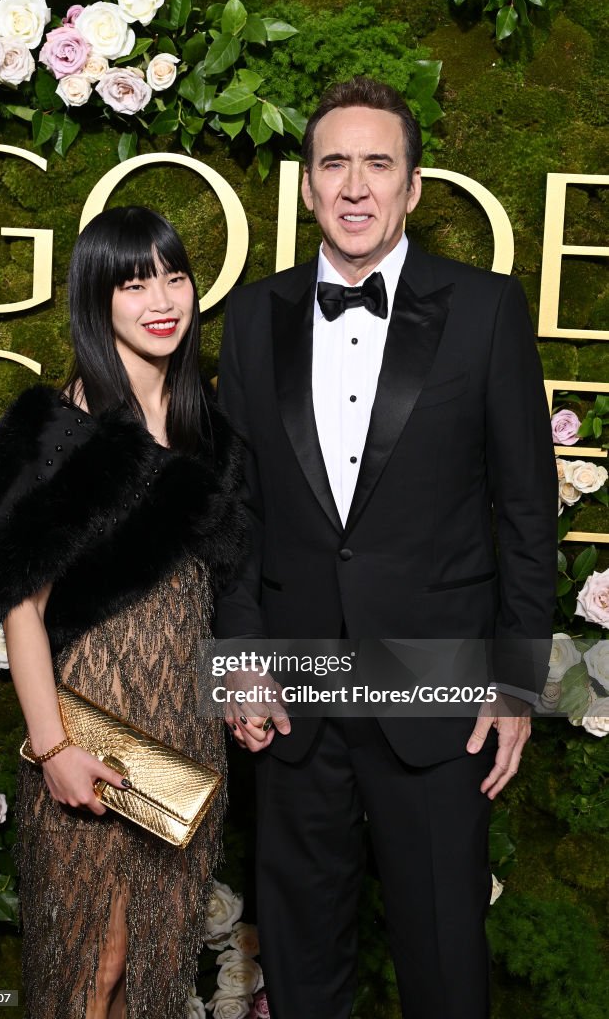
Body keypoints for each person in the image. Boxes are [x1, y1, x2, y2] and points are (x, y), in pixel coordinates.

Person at [216, 78, 558, 1019]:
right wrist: (239, 659)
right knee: (300, 966)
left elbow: (527, 511)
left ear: (412, 186)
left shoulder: (486, 309)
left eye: (378, 164)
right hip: (293, 691)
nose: (354, 185)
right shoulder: (251, 317)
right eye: (334, 163)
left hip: (438, 688)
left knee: (444, 961)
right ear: (305, 187)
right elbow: (234, 514)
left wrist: (516, 681)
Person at [0, 207, 245, 1019]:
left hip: (185, 738)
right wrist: (53, 748)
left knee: (152, 968)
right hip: (87, 727)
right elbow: (19, 606)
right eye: (133, 283)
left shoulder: (207, 428)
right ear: (96, 298)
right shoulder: (65, 428)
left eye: (173, 277)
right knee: (96, 962)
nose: (161, 300)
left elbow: (217, 593)